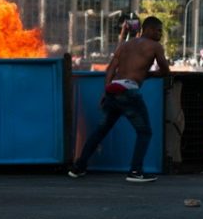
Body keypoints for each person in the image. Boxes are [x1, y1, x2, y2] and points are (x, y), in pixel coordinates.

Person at [68, 16, 170, 182]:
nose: (161, 34)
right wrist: (148, 75)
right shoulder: (155, 46)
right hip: (129, 91)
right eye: (159, 30)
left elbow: (111, 68)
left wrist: (106, 90)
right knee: (144, 132)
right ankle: (136, 171)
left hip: (113, 89)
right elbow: (165, 70)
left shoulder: (125, 45)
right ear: (149, 29)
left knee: (101, 130)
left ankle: (78, 167)